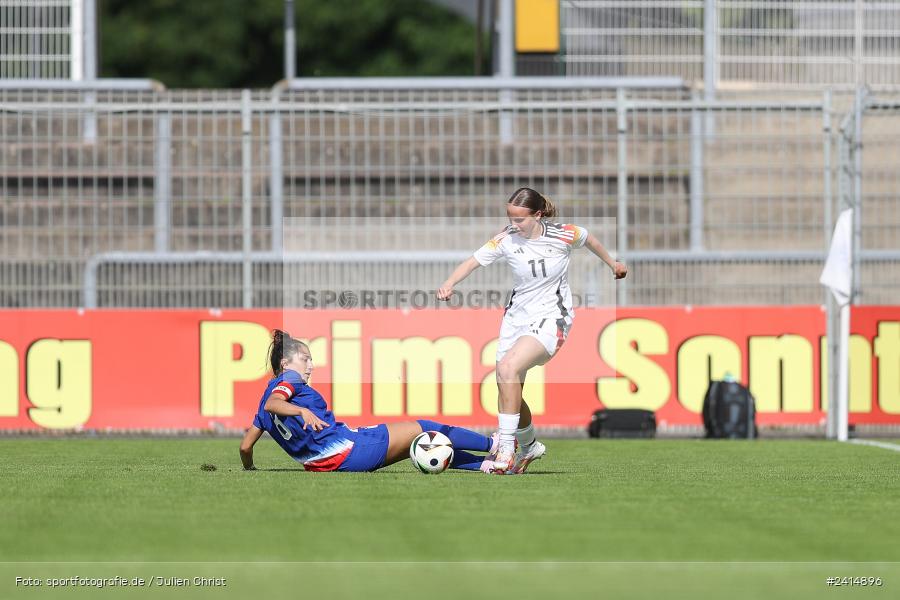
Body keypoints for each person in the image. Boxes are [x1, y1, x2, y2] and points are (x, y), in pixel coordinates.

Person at [437, 187, 627, 475]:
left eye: (520, 219)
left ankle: (504, 450)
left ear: (538, 215)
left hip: (553, 317)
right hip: (516, 320)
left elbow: (589, 239)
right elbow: (474, 261)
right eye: (510, 218)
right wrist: (450, 282)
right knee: (507, 385)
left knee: (508, 367)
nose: (514, 224)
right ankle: (529, 446)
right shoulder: (505, 239)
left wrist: (613, 263)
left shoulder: (563, 233)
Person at [239, 330, 499, 473]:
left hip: (325, 464)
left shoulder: (263, 404)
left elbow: (245, 447)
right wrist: (301, 412)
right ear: (285, 363)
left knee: (423, 445)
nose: (310, 365)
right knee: (424, 427)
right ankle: (495, 444)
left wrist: (249, 469)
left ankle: (487, 465)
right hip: (351, 449)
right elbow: (275, 402)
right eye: (305, 358)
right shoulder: (290, 379)